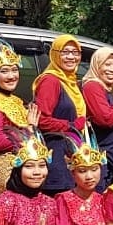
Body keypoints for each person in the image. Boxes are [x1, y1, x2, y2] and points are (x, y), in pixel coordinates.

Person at [0, 34, 40, 200]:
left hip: (23, 168)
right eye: (4, 71)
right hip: (4, 170)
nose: (11, 76)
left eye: (14, 70)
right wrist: (28, 131)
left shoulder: (17, 101)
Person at [32, 34, 86, 194]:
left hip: (70, 154)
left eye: (76, 52)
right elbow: (40, 119)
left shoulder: (71, 82)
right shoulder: (51, 81)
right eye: (65, 52)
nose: (71, 57)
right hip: (56, 155)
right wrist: (71, 125)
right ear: (55, 54)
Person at [81, 47, 113, 191]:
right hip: (99, 155)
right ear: (97, 65)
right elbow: (106, 119)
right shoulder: (92, 86)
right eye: (107, 64)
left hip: (107, 154)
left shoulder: (104, 88)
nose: (112, 70)